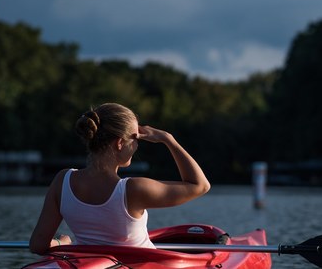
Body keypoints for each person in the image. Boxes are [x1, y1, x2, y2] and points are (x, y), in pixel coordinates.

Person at [29, 103, 211, 255]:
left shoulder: (62, 181)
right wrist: (168, 139)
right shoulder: (133, 189)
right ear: (120, 143)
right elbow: (200, 185)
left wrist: (63, 244)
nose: (138, 144)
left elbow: (38, 245)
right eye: (136, 138)